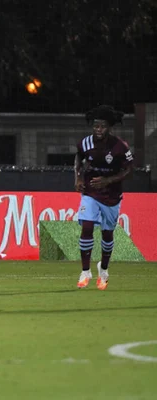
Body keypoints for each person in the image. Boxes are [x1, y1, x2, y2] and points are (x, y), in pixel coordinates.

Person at [74, 105, 134, 290]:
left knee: (107, 234)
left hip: (111, 195)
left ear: (109, 127)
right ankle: (85, 272)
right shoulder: (85, 143)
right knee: (87, 226)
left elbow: (129, 169)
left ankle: (104, 269)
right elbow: (78, 158)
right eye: (95, 126)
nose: (98, 130)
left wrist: (108, 180)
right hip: (91, 191)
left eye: (102, 126)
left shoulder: (120, 147)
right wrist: (77, 177)